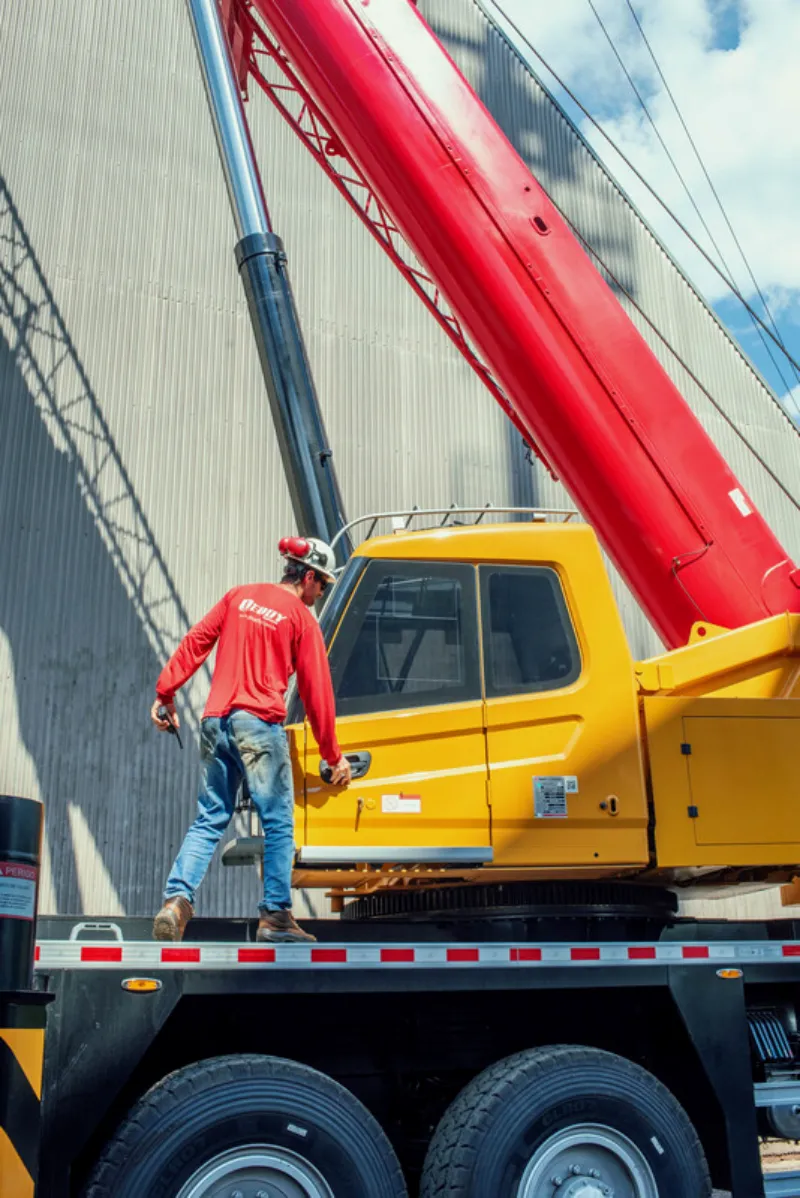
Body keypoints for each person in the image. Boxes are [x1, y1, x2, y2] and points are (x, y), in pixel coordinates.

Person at [150, 536, 351, 944]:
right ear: (308, 576)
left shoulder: (238, 597)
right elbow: (317, 693)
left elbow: (196, 642)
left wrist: (165, 693)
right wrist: (333, 757)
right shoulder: (301, 618)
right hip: (258, 723)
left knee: (209, 818)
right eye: (323, 585)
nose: (321, 593)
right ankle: (276, 917)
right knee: (278, 822)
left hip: (215, 720)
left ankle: (176, 902)